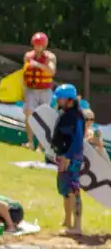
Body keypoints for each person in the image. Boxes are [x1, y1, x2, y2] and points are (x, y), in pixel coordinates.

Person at [51, 84, 85, 235]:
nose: (57, 101)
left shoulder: (76, 116)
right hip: (63, 157)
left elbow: (77, 140)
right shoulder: (66, 113)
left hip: (71, 158)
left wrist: (67, 157)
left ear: (69, 100)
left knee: (74, 190)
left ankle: (77, 227)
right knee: (65, 191)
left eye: (60, 98)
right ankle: (67, 221)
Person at [22, 32, 57, 150]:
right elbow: (24, 74)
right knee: (28, 114)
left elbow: (51, 71)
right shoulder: (28, 56)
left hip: (45, 90)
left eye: (40, 45)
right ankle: (30, 142)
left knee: (44, 117)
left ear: (45, 45)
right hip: (31, 89)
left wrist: (37, 65)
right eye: (36, 45)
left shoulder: (50, 57)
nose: (38, 47)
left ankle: (41, 146)